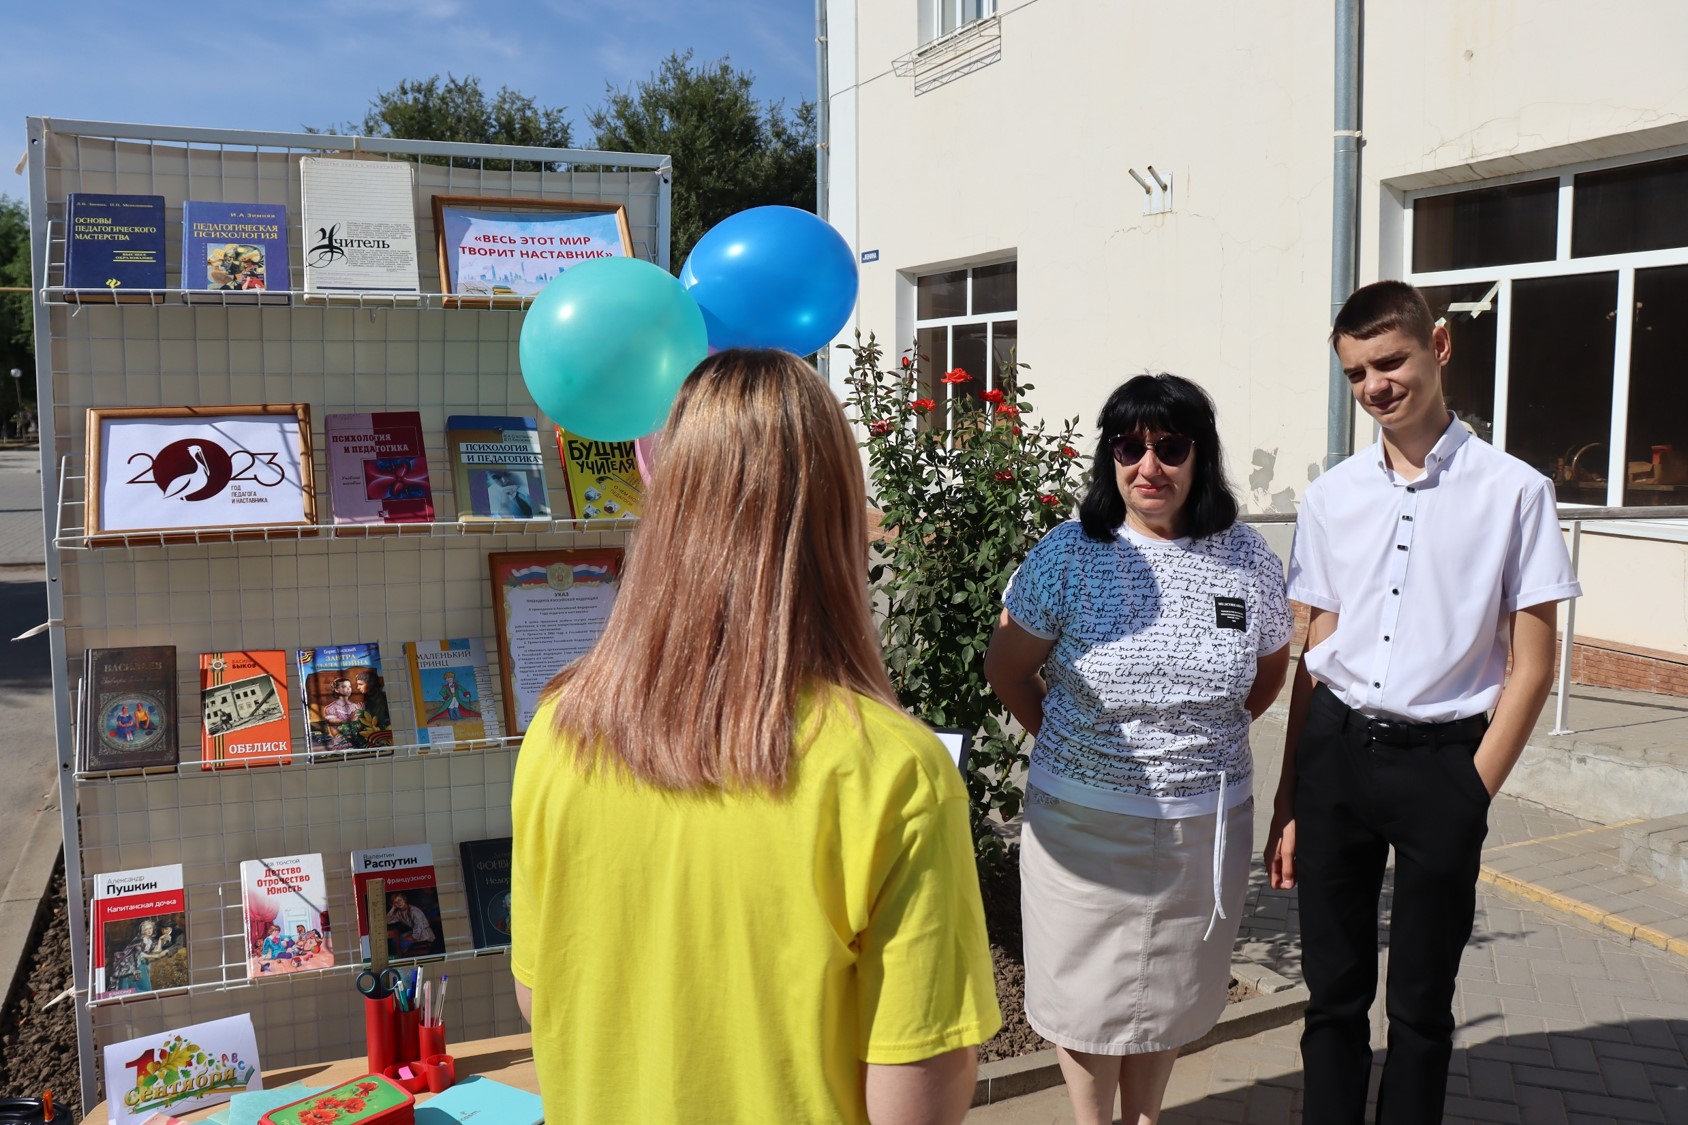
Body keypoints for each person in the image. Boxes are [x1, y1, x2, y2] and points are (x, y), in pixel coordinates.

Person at [511, 349, 1000, 1125]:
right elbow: (915, 1095)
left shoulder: (560, 727)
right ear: (837, 514)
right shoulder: (892, 770)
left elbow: (540, 992)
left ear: (666, 506)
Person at [1265, 280, 1581, 1123]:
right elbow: (1316, 651)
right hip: (1336, 753)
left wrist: (1472, 790)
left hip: (1444, 763)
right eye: (1357, 372)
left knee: (1420, 1008)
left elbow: (1534, 664)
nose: (1376, 385)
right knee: (1332, 996)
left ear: (1438, 346)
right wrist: (1290, 794)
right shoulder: (1332, 496)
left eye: (1391, 360)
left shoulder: (1515, 491)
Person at [984, 374, 1291, 1125]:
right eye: (1130, 446)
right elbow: (1008, 669)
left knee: (1174, 985)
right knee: (1088, 994)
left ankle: (1144, 1117)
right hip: (1083, 824)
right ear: (1110, 457)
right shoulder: (1070, 553)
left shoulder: (1246, 557)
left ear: (1199, 456)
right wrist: (1082, 745)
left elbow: (1266, 676)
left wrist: (1192, 745)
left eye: (1170, 446)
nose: (1148, 465)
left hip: (1203, 823)